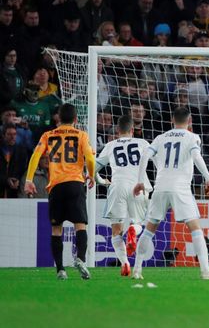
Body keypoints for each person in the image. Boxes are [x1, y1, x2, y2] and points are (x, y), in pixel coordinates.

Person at [131, 107, 209, 280]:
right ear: (190, 121)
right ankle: (205, 271)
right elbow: (196, 156)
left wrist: (140, 181)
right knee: (195, 228)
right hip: (180, 188)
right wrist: (208, 178)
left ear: (172, 120)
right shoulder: (192, 137)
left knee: (149, 229)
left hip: (160, 187)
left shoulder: (160, 138)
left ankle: (137, 270)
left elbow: (144, 156)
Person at [23, 104, 96, 280]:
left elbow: (35, 156)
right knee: (80, 225)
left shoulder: (48, 135)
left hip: (56, 186)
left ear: (58, 119)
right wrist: (91, 175)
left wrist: (28, 180)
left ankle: (61, 270)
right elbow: (90, 158)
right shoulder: (81, 135)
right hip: (75, 184)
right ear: (76, 120)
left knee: (56, 229)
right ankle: (80, 259)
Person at [94, 115, 152, 277]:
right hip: (138, 185)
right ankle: (133, 229)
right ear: (133, 129)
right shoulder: (143, 143)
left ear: (118, 131)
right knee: (139, 222)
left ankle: (125, 262)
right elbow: (157, 161)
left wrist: (101, 181)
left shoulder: (110, 145)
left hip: (117, 186)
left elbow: (93, 169)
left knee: (116, 230)